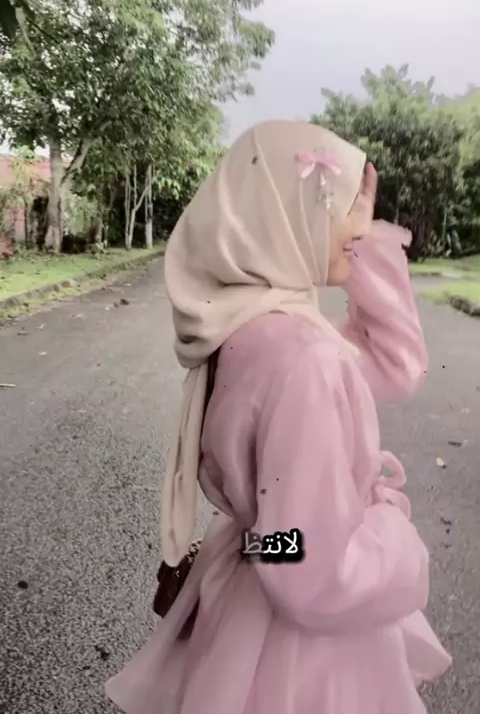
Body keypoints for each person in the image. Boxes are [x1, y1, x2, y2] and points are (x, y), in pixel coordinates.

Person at [106, 120, 451, 714]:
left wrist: (361, 238)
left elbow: (394, 366)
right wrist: (396, 537)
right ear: (288, 216)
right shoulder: (304, 361)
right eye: (340, 208)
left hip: (251, 589)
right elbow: (310, 567)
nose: (358, 226)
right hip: (302, 654)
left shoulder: (253, 328)